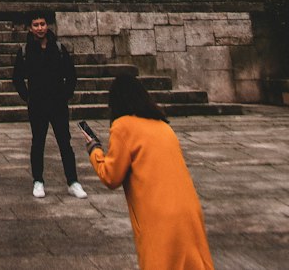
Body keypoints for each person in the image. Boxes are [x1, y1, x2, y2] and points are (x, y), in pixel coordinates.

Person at [80, 74, 214, 270]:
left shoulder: (122, 126)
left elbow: (111, 176)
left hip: (159, 217)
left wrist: (95, 150)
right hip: (189, 213)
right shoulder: (163, 126)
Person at [12, 11, 87, 199]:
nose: (40, 28)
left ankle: (73, 181)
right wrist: (27, 96)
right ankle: (38, 181)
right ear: (30, 28)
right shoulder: (25, 51)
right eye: (36, 25)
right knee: (38, 143)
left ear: (48, 25)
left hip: (57, 103)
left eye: (42, 24)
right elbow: (17, 77)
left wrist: (65, 95)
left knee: (65, 143)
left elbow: (71, 75)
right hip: (37, 104)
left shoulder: (58, 48)